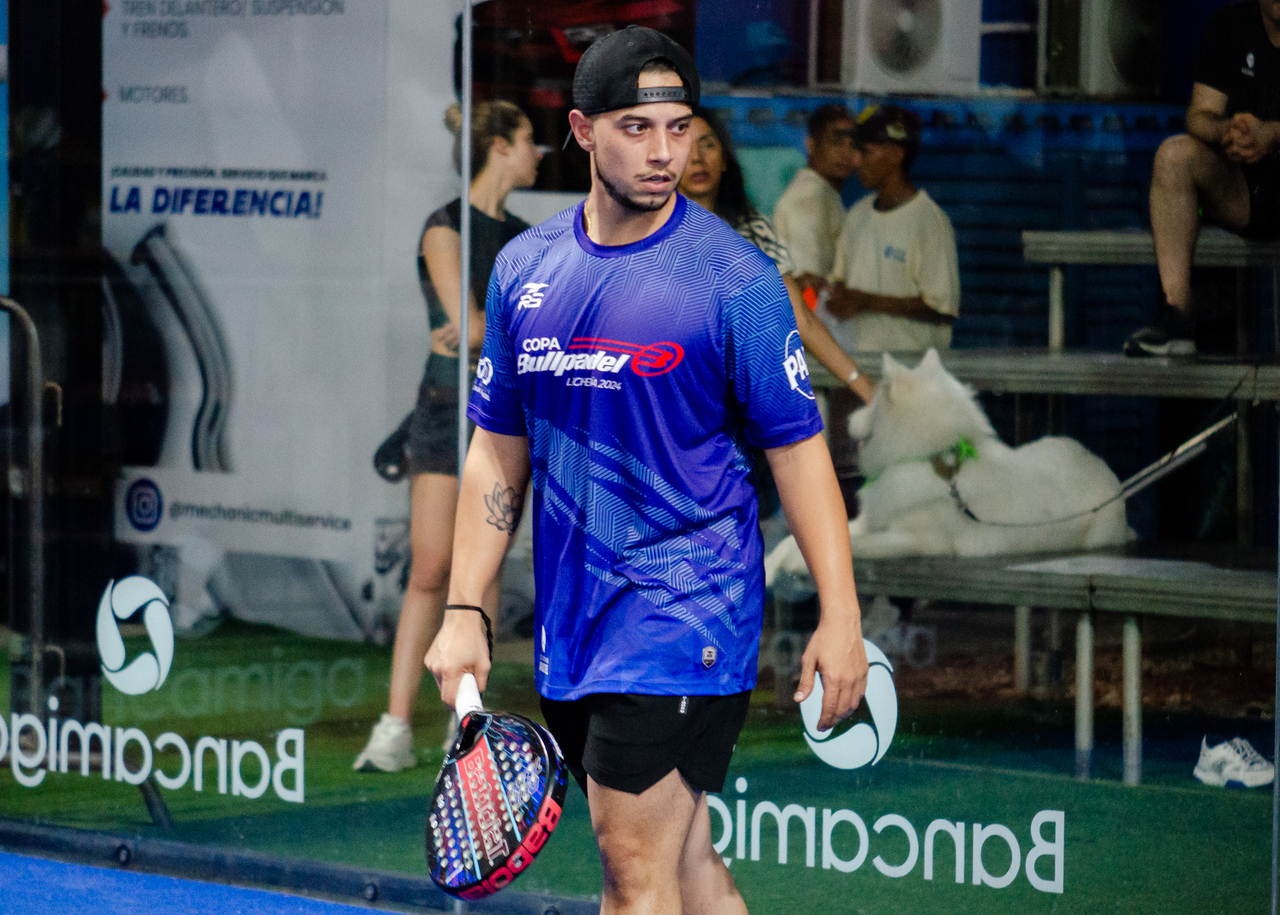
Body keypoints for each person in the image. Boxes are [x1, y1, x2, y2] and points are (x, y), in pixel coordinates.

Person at [426, 26, 869, 915]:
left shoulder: (737, 281)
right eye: (637, 127)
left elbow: (798, 448)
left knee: (631, 867)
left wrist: (842, 613)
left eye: (679, 127)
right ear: (583, 131)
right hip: (574, 620)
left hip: (686, 610)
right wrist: (466, 606)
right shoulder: (524, 269)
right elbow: (497, 447)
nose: (666, 151)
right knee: (683, 860)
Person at [353, 100, 543, 772]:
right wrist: (494, 331)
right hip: (442, 408)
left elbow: (486, 332)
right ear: (500, 146)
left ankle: (465, 725)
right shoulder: (444, 226)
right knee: (431, 566)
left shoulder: (526, 239)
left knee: (482, 566)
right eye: (529, 139)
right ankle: (395, 725)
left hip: (500, 413)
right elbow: (473, 326)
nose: (538, 153)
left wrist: (486, 332)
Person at [678, 105, 875, 403]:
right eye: (685, 147)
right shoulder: (649, 233)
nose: (697, 158)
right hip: (671, 392)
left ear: (725, 160)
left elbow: (801, 318)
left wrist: (862, 385)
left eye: (708, 145)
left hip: (733, 397)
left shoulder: (754, 231)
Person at [1125, 0, 1280, 358]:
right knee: (1174, 156)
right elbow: (1200, 114)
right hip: (1249, 191)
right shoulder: (1230, 24)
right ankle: (1177, 315)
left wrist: (1272, 134)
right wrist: (1228, 131)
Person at [824, 104, 961, 355]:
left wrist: (867, 301)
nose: (855, 161)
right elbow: (839, 282)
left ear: (896, 155)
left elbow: (941, 308)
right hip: (859, 364)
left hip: (911, 370)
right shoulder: (857, 215)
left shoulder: (929, 222)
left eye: (865, 151)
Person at [773, 103, 859, 295]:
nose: (846, 153)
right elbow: (808, 286)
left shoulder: (825, 195)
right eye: (837, 142)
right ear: (811, 145)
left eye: (853, 144)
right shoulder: (808, 199)